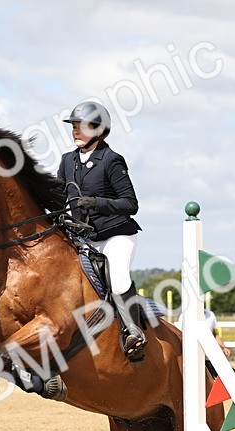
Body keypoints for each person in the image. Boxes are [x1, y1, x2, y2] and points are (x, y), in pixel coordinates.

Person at [57, 101, 146, 362]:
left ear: (99, 129)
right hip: (83, 237)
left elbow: (131, 204)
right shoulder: (68, 160)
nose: (75, 131)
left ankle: (133, 331)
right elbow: (56, 196)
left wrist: (97, 203)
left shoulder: (111, 160)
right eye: (73, 126)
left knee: (117, 279)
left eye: (80, 127)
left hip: (115, 235)